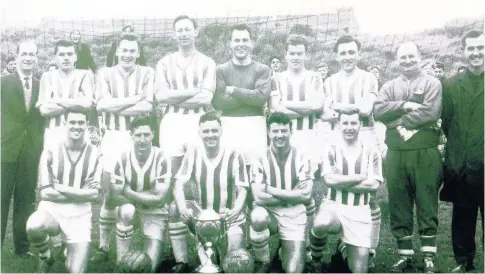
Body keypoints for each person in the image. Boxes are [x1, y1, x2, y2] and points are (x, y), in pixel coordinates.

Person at [374, 42, 442, 273]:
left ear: (420, 56)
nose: (407, 61)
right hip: (396, 153)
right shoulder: (390, 85)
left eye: (411, 56)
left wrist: (397, 121)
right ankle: (405, 256)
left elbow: (431, 113)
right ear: (397, 60)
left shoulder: (432, 83)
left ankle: (428, 255)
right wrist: (404, 105)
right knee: (399, 202)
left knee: (426, 201)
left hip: (425, 151)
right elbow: (378, 110)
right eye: (403, 57)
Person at [154, 15, 216, 272]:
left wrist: (175, 96)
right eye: (179, 30)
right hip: (171, 124)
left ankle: (209, 248)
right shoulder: (164, 62)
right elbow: (160, 95)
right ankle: (178, 254)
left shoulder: (206, 62)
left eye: (187, 30)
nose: (183, 34)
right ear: (174, 34)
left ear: (196, 32)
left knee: (201, 183)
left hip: (197, 124)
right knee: (171, 184)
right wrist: (193, 93)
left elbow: (207, 95)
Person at [92, 33, 154, 262]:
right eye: (124, 50)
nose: (127, 54)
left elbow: (147, 106)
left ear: (138, 53)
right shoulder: (104, 73)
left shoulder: (148, 73)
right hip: (113, 136)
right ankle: (103, 246)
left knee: (140, 189)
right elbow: (101, 104)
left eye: (132, 51)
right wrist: (134, 99)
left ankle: (136, 241)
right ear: (117, 51)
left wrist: (117, 106)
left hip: (139, 137)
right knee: (109, 193)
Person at [322, 35, 382, 269]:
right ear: (337, 56)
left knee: (370, 195)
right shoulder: (329, 81)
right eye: (343, 53)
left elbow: (366, 109)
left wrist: (336, 107)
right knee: (337, 189)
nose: (347, 56)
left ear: (359, 54)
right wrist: (348, 111)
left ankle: (371, 248)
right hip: (338, 136)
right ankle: (345, 242)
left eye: (351, 52)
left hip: (365, 135)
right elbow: (324, 114)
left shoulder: (368, 78)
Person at [269, 34, 325, 261]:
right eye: (292, 53)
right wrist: (305, 108)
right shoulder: (277, 78)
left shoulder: (314, 78)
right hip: (283, 137)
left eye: (300, 53)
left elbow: (318, 105)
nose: (295, 57)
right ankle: (285, 242)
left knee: (306, 192)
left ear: (306, 54)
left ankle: (307, 244)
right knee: (283, 189)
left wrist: (287, 106)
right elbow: (275, 110)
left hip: (308, 138)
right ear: (285, 54)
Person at [170, 112, 249, 269]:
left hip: (229, 218)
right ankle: (182, 262)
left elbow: (243, 189)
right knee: (174, 208)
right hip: (202, 219)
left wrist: (236, 209)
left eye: (214, 130)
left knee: (235, 264)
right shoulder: (192, 154)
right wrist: (183, 208)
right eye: (206, 131)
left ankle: (222, 250)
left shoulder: (235, 154)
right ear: (199, 132)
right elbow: (178, 184)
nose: (210, 135)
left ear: (221, 131)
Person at [26, 110, 101, 273]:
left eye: (81, 123)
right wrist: (81, 193)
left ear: (87, 125)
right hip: (52, 210)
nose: (76, 126)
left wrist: (59, 187)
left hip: (79, 215)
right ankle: (46, 257)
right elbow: (45, 193)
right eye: (72, 122)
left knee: (75, 271)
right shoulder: (50, 151)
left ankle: (67, 248)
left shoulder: (95, 153)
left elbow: (94, 194)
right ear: (65, 124)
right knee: (34, 225)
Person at [309, 108, 383, 273]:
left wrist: (340, 181)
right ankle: (316, 260)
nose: (349, 127)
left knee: (359, 270)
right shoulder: (331, 149)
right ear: (339, 125)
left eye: (353, 123)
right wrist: (359, 177)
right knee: (321, 222)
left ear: (360, 125)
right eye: (345, 123)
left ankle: (343, 248)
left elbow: (373, 185)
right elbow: (328, 180)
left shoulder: (371, 150)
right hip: (334, 206)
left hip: (360, 211)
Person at [440, 29, 484, 273]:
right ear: (463, 51)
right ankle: (463, 261)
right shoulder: (451, 85)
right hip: (462, 163)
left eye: (481, 48)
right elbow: (447, 122)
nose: (476, 53)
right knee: (463, 217)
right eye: (471, 48)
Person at [249, 112, 313, 273]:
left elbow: (306, 195)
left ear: (291, 131)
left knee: (294, 271)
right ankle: (262, 261)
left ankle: (281, 252)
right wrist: (293, 195)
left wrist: (269, 189)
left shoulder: (302, 156)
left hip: (294, 214)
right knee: (258, 216)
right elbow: (258, 197)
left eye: (284, 131)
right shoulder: (259, 157)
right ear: (268, 132)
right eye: (275, 131)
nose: (280, 135)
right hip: (270, 213)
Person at [111, 116, 172, 272]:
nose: (143, 139)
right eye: (138, 135)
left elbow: (160, 198)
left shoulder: (162, 158)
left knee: (149, 268)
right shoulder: (122, 157)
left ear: (153, 134)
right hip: (133, 211)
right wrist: (149, 195)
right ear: (131, 136)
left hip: (155, 214)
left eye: (146, 135)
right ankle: (121, 260)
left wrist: (129, 191)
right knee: (126, 211)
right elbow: (115, 195)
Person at [1, 40, 45, 256]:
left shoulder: (41, 85)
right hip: (6, 150)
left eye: (32, 54)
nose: (28, 58)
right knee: (1, 199)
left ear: (36, 58)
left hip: (30, 152)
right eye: (24, 54)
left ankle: (22, 247)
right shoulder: (4, 83)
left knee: (25, 199)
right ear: (16, 56)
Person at [211, 23, 272, 170]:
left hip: (255, 124)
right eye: (237, 40)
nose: (241, 44)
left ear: (251, 43)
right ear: (230, 43)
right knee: (230, 170)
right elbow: (218, 102)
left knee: (256, 172)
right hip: (228, 124)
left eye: (245, 40)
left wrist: (232, 90)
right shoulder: (221, 70)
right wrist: (251, 95)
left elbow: (261, 97)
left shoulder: (262, 69)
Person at [36, 40, 95, 150]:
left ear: (75, 56)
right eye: (62, 54)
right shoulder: (47, 77)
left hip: (79, 132)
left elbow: (87, 104)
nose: (66, 58)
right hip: (54, 133)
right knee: (53, 166)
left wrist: (55, 100)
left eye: (70, 54)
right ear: (55, 58)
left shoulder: (85, 74)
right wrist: (75, 101)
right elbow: (44, 110)